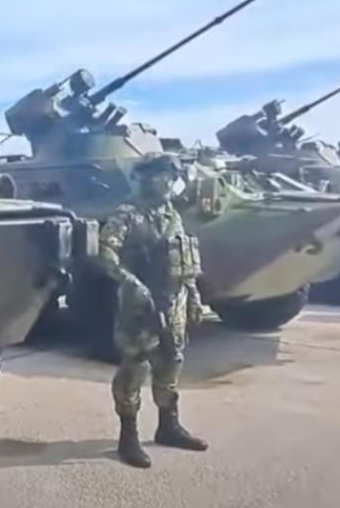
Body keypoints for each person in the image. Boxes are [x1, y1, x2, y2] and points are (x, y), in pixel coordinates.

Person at [97, 153, 207, 469]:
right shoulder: (128, 214)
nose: (170, 181)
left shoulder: (171, 214)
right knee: (136, 366)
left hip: (174, 299)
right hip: (140, 304)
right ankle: (128, 436)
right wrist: (130, 282)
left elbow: (183, 259)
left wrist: (193, 296)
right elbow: (104, 251)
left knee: (172, 361)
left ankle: (168, 426)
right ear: (146, 178)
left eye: (172, 176)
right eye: (163, 175)